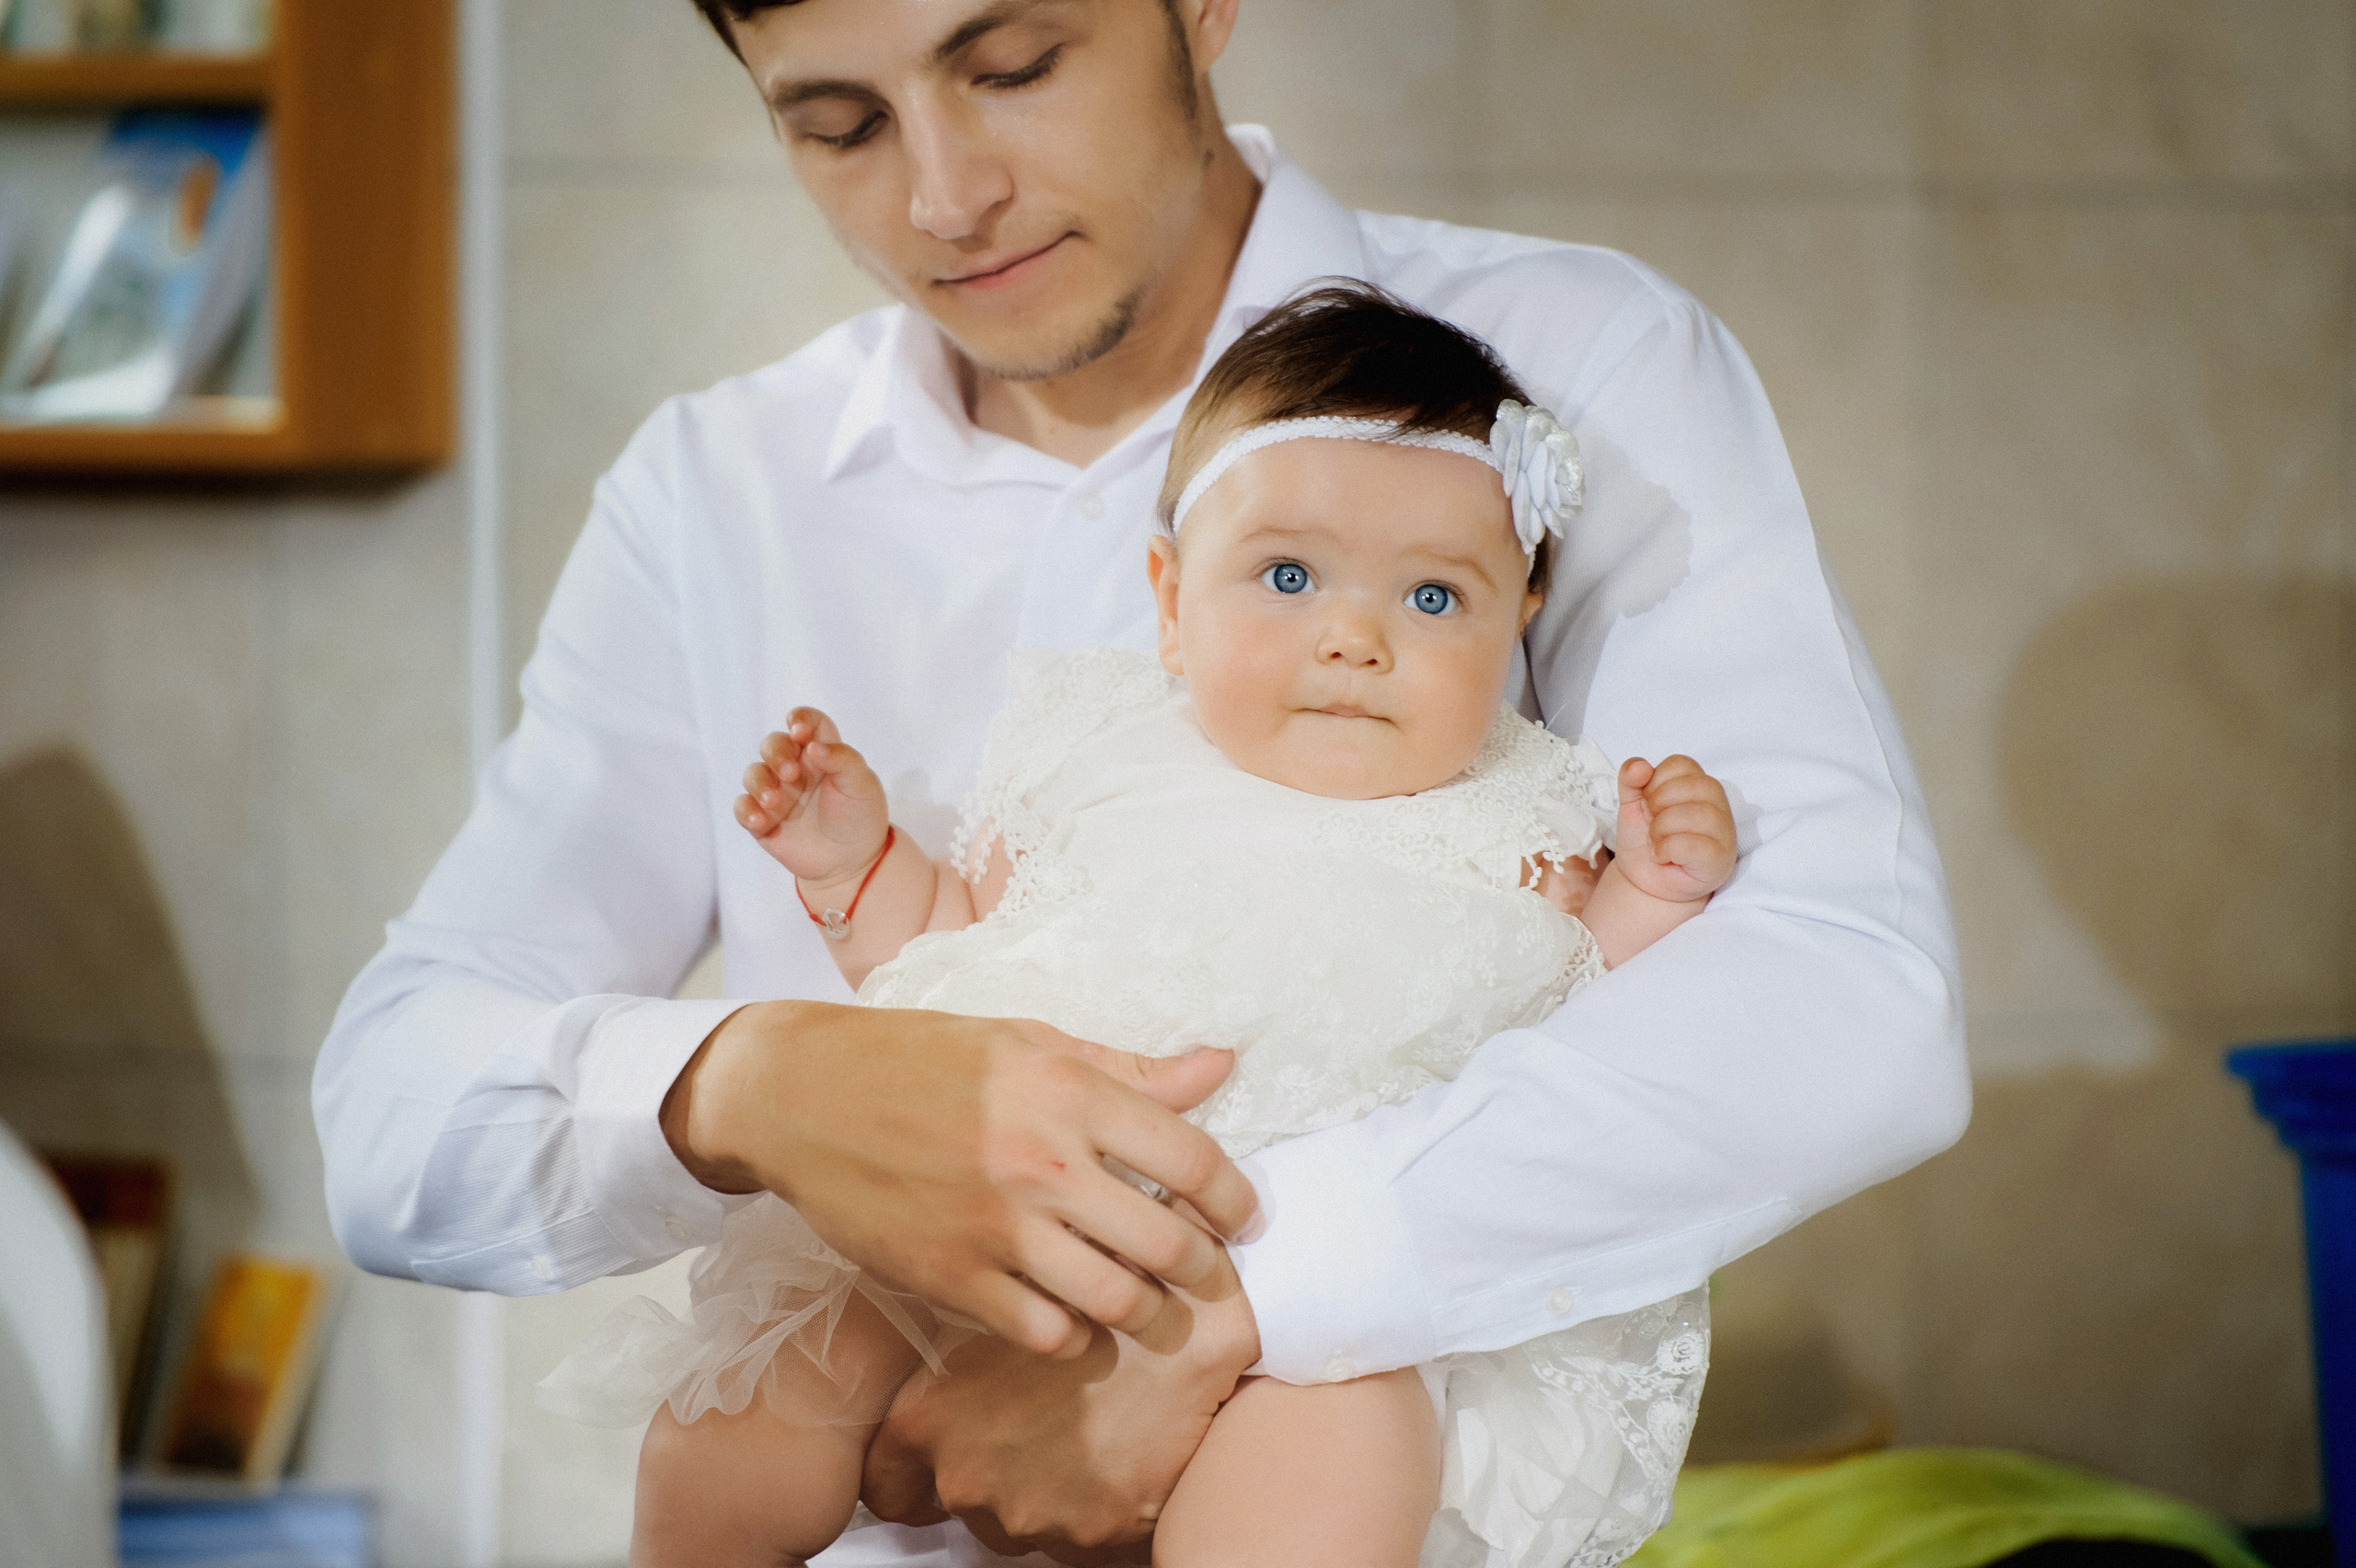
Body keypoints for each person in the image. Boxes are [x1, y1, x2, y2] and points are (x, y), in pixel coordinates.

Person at [311, 1, 1969, 1562]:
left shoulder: (1571, 367)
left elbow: (1843, 994)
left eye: (1014, 64)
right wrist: (750, 1083)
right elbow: (396, 1103)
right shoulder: (712, 491)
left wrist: (1240, 1299)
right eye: (838, 125)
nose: (945, 196)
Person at [540, 287, 1738, 1568]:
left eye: (1434, 599)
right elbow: (953, 949)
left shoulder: (1522, 823)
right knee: (730, 1430)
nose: (1354, 639)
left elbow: (1587, 1021)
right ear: (1170, 601)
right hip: (1003, 1228)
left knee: (1332, 1478)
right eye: (1289, 577)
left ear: (1519, 620)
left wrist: (1656, 891)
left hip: (1310, 1318)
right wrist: (856, 867)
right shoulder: (1099, 755)